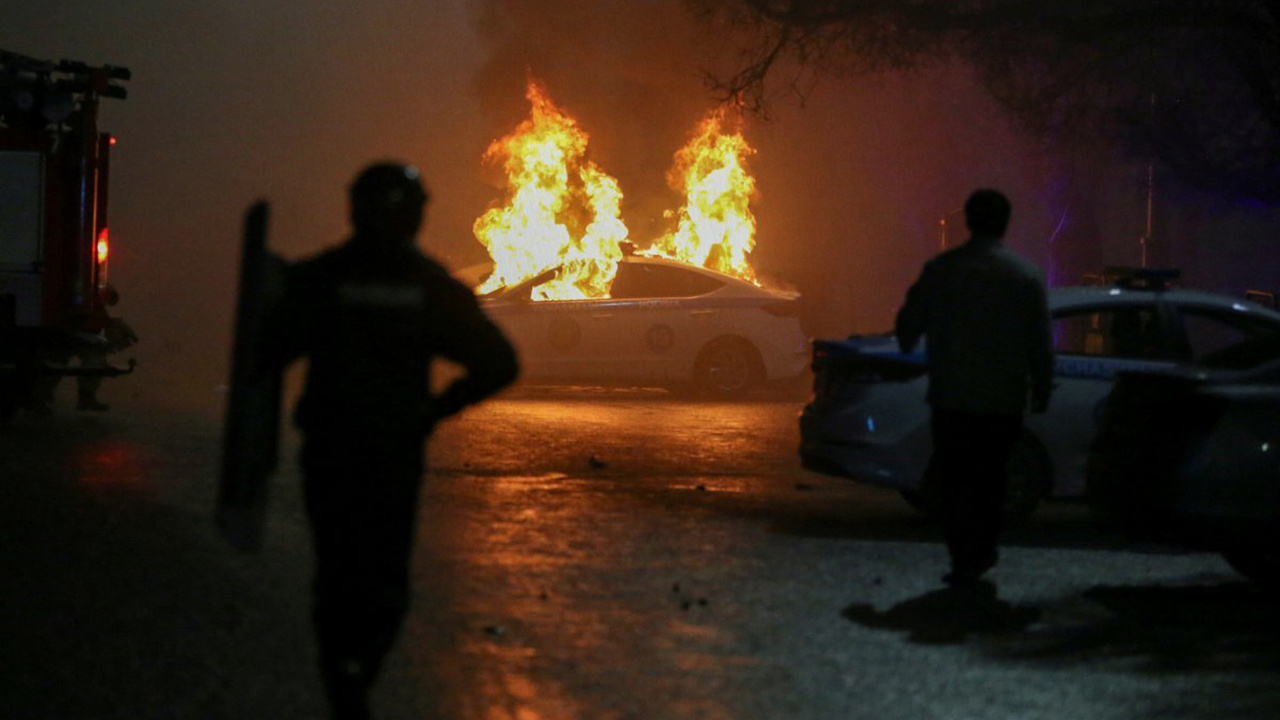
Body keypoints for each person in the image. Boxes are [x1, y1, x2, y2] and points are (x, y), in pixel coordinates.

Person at [266, 162, 519, 720]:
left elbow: (265, 355)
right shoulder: (428, 286)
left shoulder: (323, 278)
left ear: (354, 210)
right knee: (384, 580)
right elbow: (500, 363)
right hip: (391, 455)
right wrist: (432, 412)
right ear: (416, 217)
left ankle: (343, 681)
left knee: (335, 573)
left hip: (330, 452)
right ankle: (358, 674)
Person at [894, 189, 1054, 587]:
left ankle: (963, 551)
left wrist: (914, 339)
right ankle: (982, 549)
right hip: (1002, 400)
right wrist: (1042, 384)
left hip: (953, 398)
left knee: (956, 475)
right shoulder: (1025, 276)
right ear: (1005, 222)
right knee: (991, 476)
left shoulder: (943, 270)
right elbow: (1039, 339)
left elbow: (908, 325)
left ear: (967, 220)